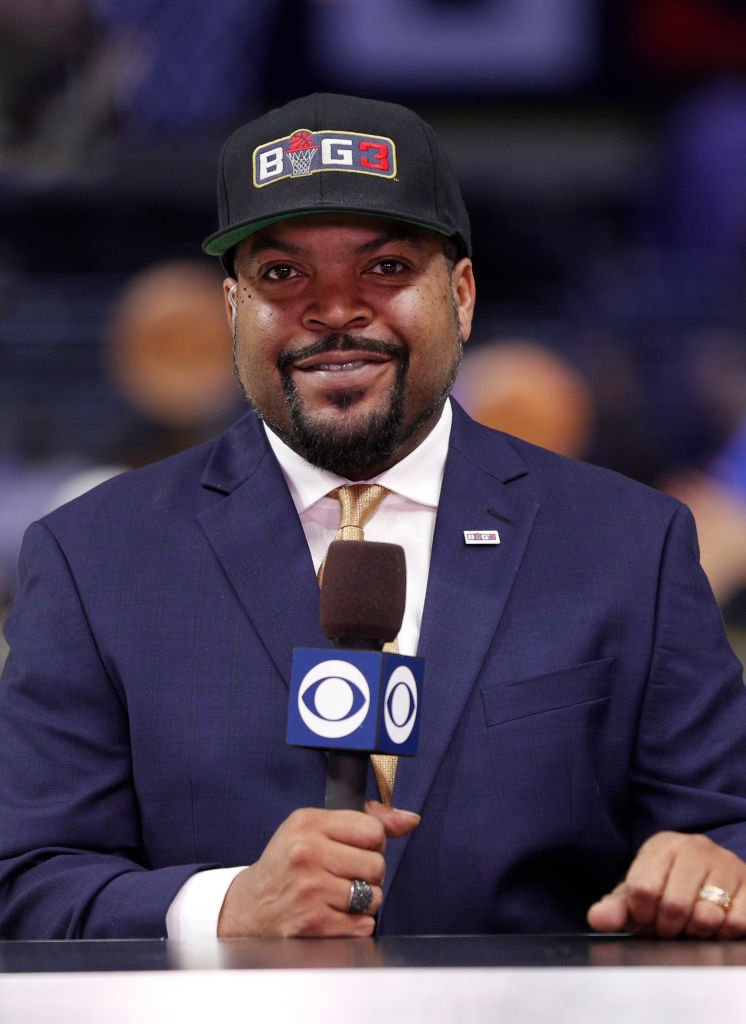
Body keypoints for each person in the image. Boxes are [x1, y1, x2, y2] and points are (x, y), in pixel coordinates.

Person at [2, 93, 746, 942]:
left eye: (386, 268)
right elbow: (23, 879)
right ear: (232, 310)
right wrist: (221, 909)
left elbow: (727, 825)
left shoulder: (628, 544)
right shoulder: (93, 556)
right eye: (282, 275)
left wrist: (715, 869)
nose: (335, 309)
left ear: (461, 296)